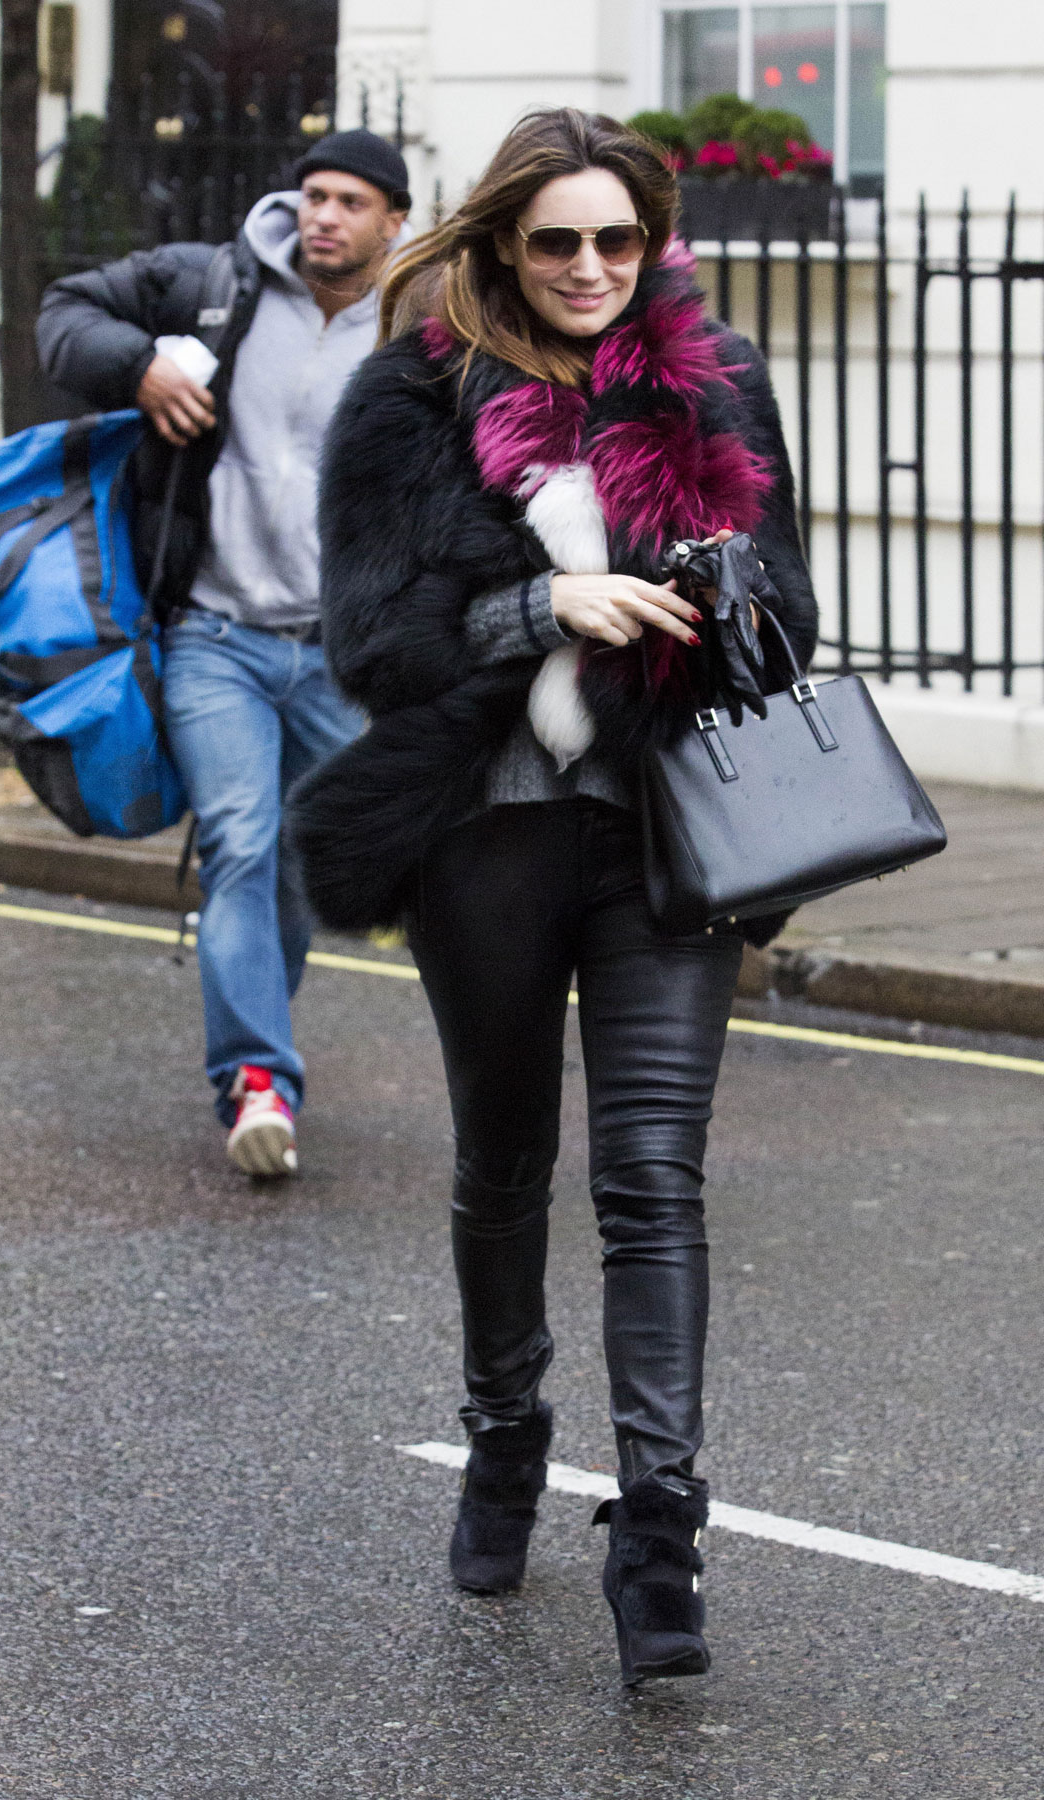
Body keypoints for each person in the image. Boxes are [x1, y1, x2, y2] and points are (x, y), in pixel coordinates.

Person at [289, 109, 816, 1680]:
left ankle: (661, 1528)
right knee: (505, 1160)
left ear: (655, 241)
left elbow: (790, 606)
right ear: (502, 244)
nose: (590, 268)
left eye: (618, 240)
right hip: (490, 838)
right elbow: (373, 645)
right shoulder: (411, 399)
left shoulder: (717, 389)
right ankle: (505, 1435)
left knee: (655, 1178)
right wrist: (540, 598)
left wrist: (722, 589)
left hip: (670, 835)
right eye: (556, 241)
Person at [37, 131, 412, 1178]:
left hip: (336, 653)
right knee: (242, 840)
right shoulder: (217, 282)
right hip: (215, 636)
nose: (323, 216)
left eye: (350, 201)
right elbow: (64, 311)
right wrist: (142, 366)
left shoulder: (417, 326)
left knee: (304, 860)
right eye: (312, 195)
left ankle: (261, 1050)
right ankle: (257, 1080)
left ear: (393, 220)